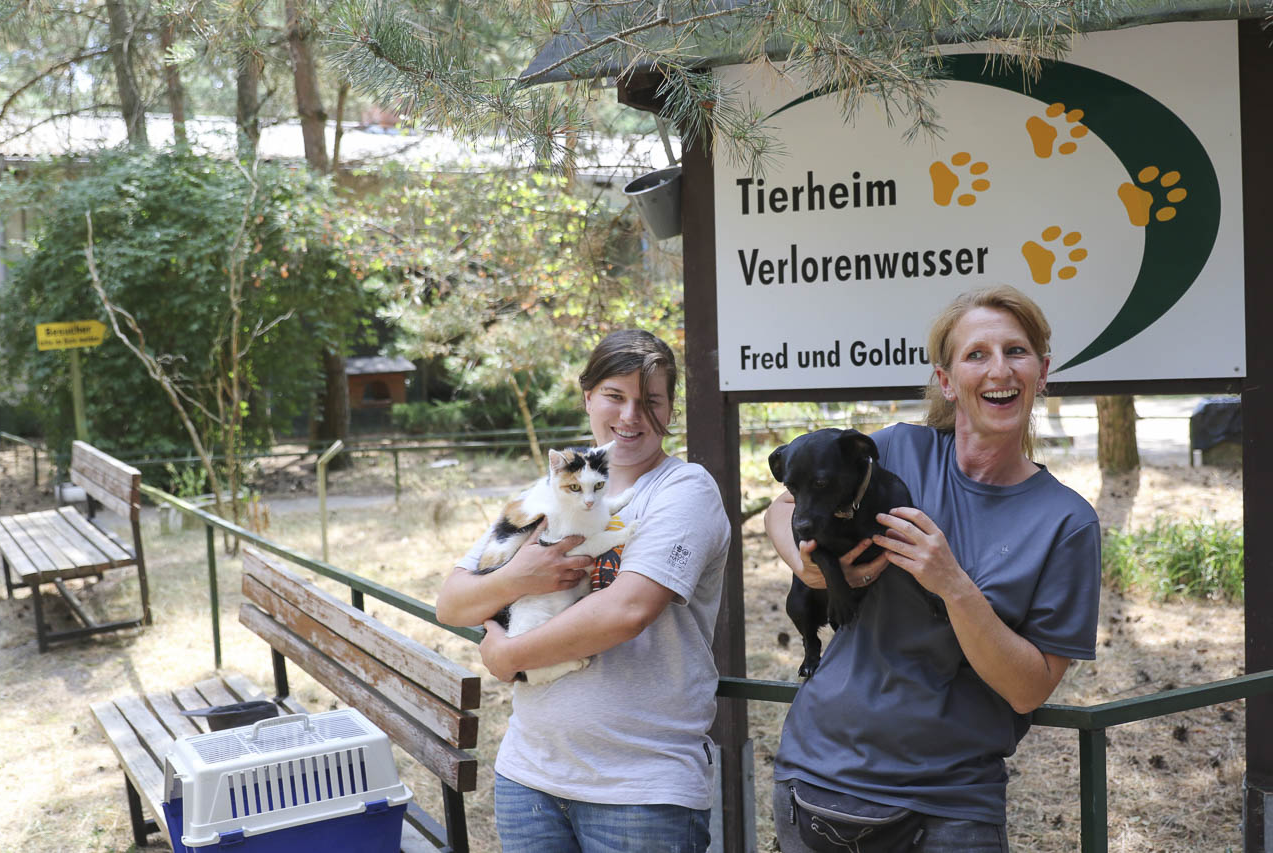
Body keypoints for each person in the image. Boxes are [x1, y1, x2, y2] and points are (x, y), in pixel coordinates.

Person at [764, 285, 1101, 852]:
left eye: (1016, 352)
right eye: (976, 354)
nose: (999, 370)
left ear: (1042, 372)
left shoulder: (1066, 522)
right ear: (946, 380)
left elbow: (1028, 690)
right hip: (815, 780)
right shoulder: (892, 451)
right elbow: (783, 507)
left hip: (949, 807)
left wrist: (953, 586)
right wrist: (808, 566)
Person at [436, 329, 731, 853]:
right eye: (615, 396)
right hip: (528, 776)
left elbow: (627, 611)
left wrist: (507, 656)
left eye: (651, 401)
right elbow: (453, 601)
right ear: (588, 396)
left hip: (639, 789)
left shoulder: (683, 490)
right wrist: (518, 578)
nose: (631, 416)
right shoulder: (553, 488)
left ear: (670, 408)